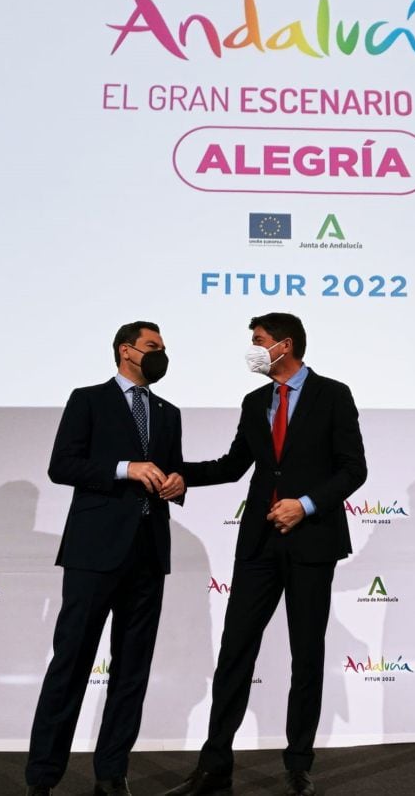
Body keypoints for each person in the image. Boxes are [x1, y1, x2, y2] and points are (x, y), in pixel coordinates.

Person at [163, 312, 367, 796]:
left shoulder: (333, 394)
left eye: (258, 340)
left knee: (307, 655)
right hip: (258, 542)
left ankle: (298, 766)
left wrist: (306, 505)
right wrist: (176, 474)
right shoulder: (255, 400)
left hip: (312, 541)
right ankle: (214, 767)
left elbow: (353, 468)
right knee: (235, 651)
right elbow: (234, 465)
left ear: (285, 345)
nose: (252, 349)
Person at [25, 321, 186, 796]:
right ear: (126, 351)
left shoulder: (168, 411)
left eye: (163, 347)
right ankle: (43, 777)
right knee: (71, 663)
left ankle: (112, 773)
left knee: (132, 669)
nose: (161, 354)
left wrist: (177, 483)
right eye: (153, 347)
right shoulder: (88, 399)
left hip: (149, 552)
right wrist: (124, 469)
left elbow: (170, 468)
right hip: (94, 553)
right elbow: (63, 465)